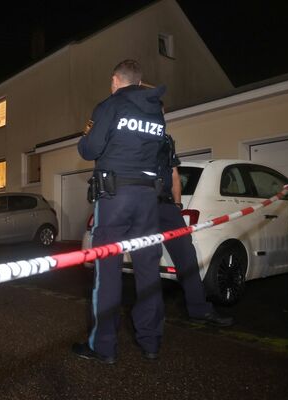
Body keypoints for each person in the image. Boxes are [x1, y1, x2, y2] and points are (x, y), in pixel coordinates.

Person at [73, 59, 165, 364]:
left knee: (108, 271)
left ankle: (104, 347)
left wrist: (85, 135)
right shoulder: (157, 111)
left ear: (116, 80)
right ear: (139, 82)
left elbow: (90, 150)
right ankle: (150, 342)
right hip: (148, 198)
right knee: (148, 270)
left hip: (115, 197)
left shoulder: (110, 106)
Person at [157, 135, 234, 327]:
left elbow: (174, 175)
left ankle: (200, 309)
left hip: (167, 208)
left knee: (187, 256)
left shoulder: (166, 140)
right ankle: (151, 317)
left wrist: (176, 205)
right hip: (141, 206)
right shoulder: (134, 132)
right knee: (147, 261)